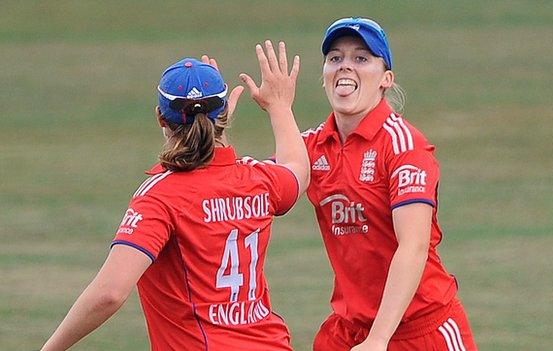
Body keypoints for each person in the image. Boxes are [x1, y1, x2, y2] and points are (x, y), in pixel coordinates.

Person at [41, 41, 308, 351]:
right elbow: (298, 171)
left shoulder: (161, 196)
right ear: (224, 113)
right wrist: (279, 106)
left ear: (160, 118)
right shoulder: (257, 178)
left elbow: (109, 293)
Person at [303, 17, 478, 350]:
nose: (345, 67)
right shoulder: (312, 146)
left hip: (422, 332)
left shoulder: (404, 145)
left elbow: (411, 247)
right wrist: (276, 107)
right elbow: (257, 185)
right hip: (349, 331)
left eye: (361, 58)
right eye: (335, 58)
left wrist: (378, 339)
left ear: (386, 79)